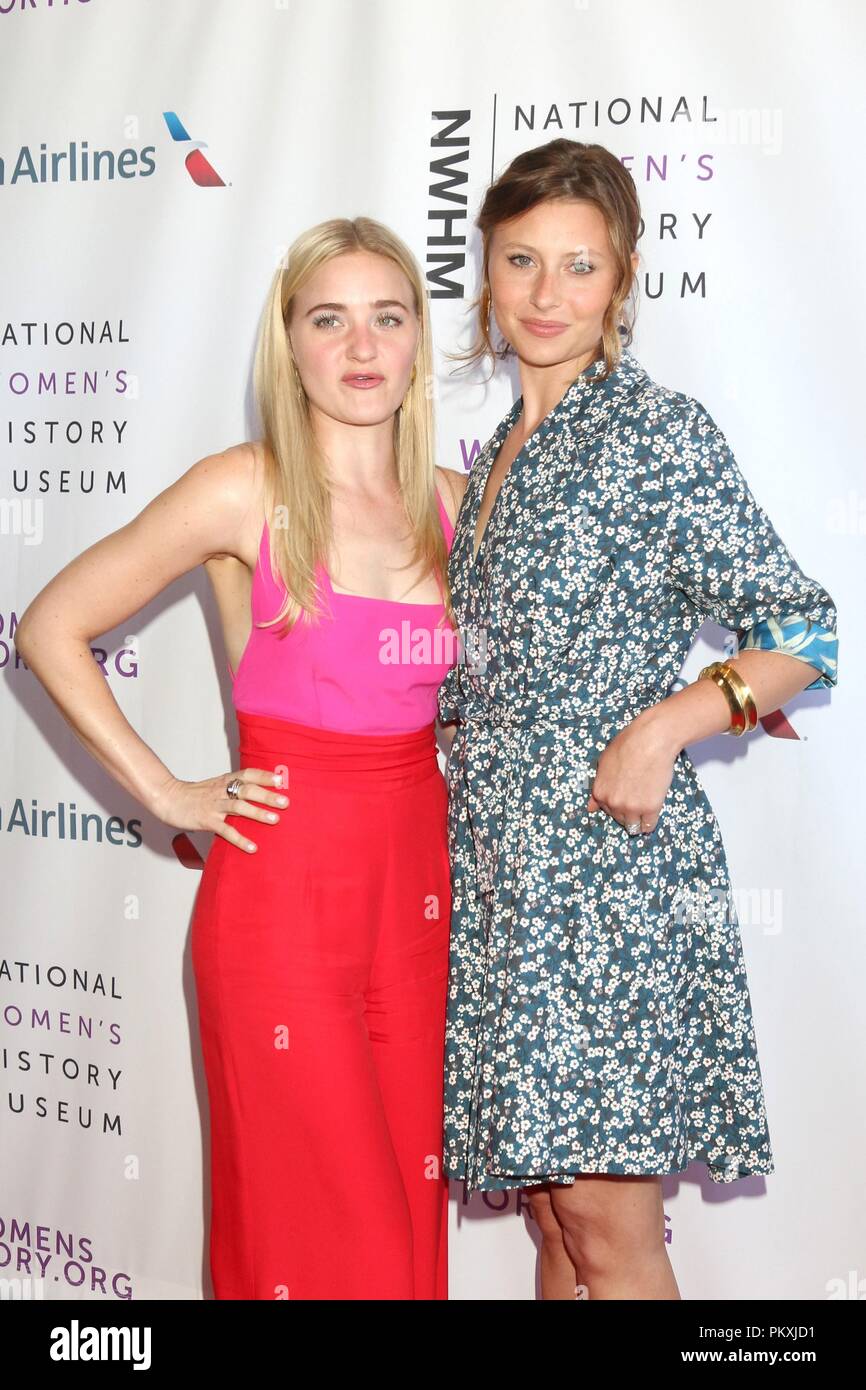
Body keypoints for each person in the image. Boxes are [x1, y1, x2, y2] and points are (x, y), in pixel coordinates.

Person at [14, 217, 466, 1301]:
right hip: (282, 906)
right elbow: (49, 626)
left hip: (415, 897)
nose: (360, 346)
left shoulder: (454, 502)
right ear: (290, 345)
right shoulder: (243, 489)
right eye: (329, 319)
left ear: (414, 344)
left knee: (406, 1241)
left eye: (385, 317)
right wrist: (169, 791)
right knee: (328, 1251)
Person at [436, 139, 838, 1300]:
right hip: (506, 873)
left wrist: (663, 725)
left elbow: (802, 633)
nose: (546, 295)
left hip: (608, 875)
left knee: (610, 1233)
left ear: (620, 281)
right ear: (488, 272)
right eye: (521, 262)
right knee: (557, 1229)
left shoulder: (654, 433)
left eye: (578, 265)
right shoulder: (499, 454)